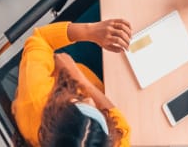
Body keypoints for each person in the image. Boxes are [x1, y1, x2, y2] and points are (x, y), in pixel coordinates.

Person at [13, 12, 132, 147]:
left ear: (57, 117)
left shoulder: (34, 96)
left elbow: (41, 38)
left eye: (78, 103)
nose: (90, 100)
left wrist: (90, 30)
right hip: (90, 78)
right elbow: (122, 128)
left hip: (61, 70)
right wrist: (82, 81)